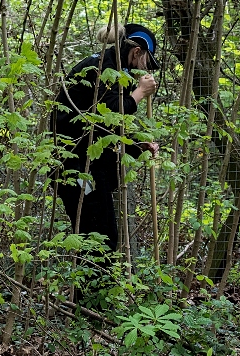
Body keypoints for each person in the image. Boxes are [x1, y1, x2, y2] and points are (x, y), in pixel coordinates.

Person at [50, 23, 160, 254]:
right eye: (146, 61)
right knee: (100, 241)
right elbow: (109, 113)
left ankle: (88, 289)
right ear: (137, 52)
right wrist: (139, 93)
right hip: (77, 166)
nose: (145, 68)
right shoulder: (102, 66)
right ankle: (93, 290)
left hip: (88, 160)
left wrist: (135, 146)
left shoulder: (114, 68)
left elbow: (103, 126)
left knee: (99, 239)